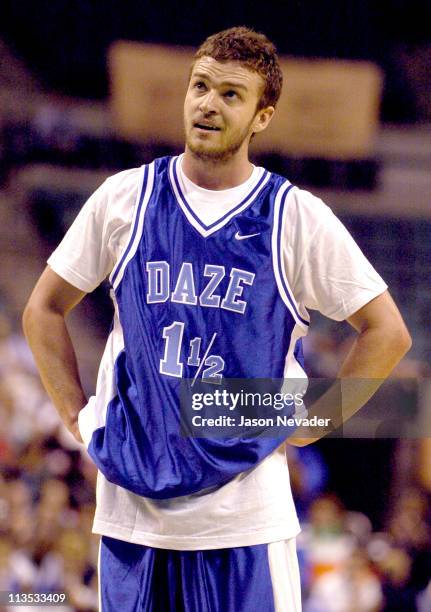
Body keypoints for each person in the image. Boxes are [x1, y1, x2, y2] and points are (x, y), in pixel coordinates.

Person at [23, 26, 411, 612]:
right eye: (200, 86)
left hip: (242, 521)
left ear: (262, 116)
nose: (207, 103)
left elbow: (387, 331)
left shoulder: (294, 216)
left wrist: (312, 421)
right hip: (132, 517)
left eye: (231, 94)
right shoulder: (123, 199)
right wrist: (77, 415)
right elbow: (43, 309)